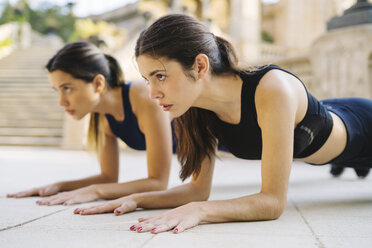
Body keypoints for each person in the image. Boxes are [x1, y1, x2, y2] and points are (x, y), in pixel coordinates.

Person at [73, 14, 372, 234]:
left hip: (363, 127)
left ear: (200, 66)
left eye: (160, 76)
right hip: (331, 141)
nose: (152, 93)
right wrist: (135, 199)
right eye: (147, 79)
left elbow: (272, 201)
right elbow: (196, 191)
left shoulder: (272, 89)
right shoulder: (194, 110)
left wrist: (201, 212)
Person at [6, 41, 174, 206]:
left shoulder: (143, 96)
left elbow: (158, 183)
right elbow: (108, 177)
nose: (61, 102)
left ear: (98, 84)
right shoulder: (102, 117)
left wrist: (95, 191)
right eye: (58, 91)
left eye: (68, 88)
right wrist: (59, 186)